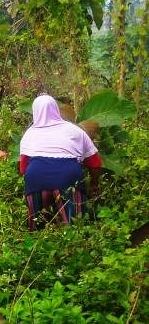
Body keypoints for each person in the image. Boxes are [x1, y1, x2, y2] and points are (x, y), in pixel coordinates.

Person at [19, 94, 102, 231]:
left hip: (36, 179)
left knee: (37, 227)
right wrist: (94, 184)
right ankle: (76, 247)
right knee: (76, 227)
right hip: (67, 177)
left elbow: (23, 169)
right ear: (56, 109)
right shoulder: (75, 130)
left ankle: (36, 246)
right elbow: (95, 163)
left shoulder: (29, 134)